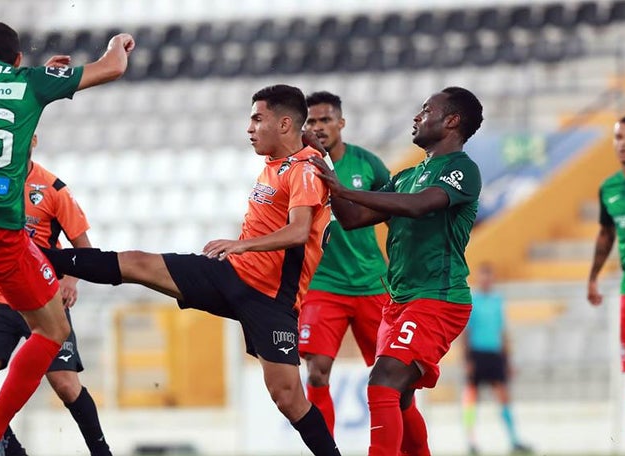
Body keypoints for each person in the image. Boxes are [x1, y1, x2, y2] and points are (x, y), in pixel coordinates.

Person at [42, 84, 341, 455]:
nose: (249, 128)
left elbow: (298, 232)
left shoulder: (304, 171)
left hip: (270, 299)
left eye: (257, 119)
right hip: (230, 274)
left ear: (283, 124)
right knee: (138, 263)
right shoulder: (282, 159)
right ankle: (39, 255)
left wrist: (241, 243)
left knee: (288, 399)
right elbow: (304, 140)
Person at [0, 21, 133, 455]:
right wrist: (118, 42)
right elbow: (111, 67)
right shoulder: (29, 83)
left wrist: (43, 75)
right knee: (54, 330)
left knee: (11, 257)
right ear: (18, 59)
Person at [310, 86, 483, 456]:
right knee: (400, 397)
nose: (417, 117)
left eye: (426, 110)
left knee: (383, 382)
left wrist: (344, 188)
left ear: (451, 120)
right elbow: (354, 219)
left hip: (437, 298)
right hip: (399, 301)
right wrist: (328, 171)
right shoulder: (406, 175)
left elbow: (421, 206)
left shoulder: (461, 169)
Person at [0, 136, 110, 456]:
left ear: (34, 141)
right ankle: (11, 451)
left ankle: (102, 452)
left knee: (66, 386)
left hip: (43, 297)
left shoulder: (53, 189)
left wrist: (71, 280)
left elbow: (85, 249)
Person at [298, 91, 391, 436]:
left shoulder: (367, 163)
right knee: (317, 371)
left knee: (390, 375)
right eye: (311, 121)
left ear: (341, 123)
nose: (318, 127)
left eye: (325, 120)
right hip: (324, 284)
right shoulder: (299, 167)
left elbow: (395, 212)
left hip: (372, 281)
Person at [588, 115, 625, 456]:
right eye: (619, 137)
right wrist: (593, 276)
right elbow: (607, 233)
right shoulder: (608, 188)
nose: (623, 143)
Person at [462, 263, 531, 455]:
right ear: (478, 279)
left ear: (492, 279)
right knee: (471, 398)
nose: (486, 280)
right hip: (477, 354)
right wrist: (467, 360)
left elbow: (502, 331)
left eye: (488, 276)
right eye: (482, 276)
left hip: (495, 354)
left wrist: (507, 360)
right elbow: (466, 333)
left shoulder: (497, 300)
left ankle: (514, 439)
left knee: (503, 396)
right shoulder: (472, 300)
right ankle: (471, 441)